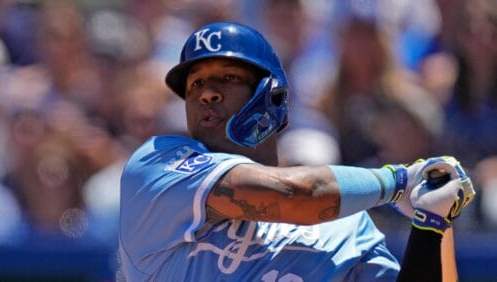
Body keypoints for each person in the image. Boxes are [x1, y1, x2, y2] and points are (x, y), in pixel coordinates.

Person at [118, 22, 475, 281]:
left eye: (228, 78)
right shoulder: (158, 165)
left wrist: (432, 224)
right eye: (195, 84)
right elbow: (297, 194)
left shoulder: (345, 224)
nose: (205, 94)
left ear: (270, 97)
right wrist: (398, 180)